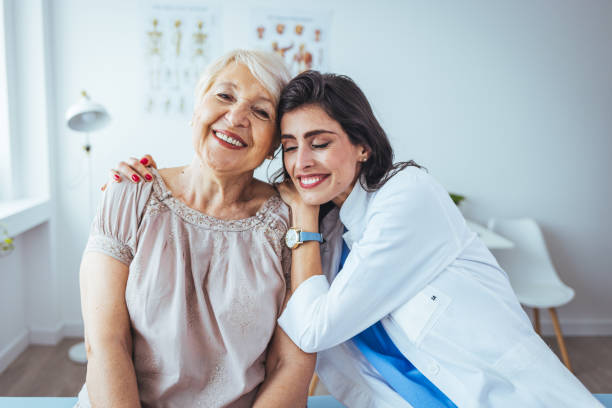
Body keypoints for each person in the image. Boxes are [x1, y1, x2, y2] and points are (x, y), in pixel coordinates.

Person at [116, 72, 602, 408]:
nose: (301, 161)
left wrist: (302, 218)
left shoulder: (407, 197)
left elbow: (315, 329)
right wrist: (151, 178)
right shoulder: (327, 232)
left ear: (362, 145)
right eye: (289, 147)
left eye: (320, 142)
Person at [76, 50, 314, 408]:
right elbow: (106, 342)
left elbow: (291, 364)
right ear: (196, 109)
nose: (235, 117)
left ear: (273, 147)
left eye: (261, 111)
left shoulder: (290, 223)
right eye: (224, 95)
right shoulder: (130, 192)